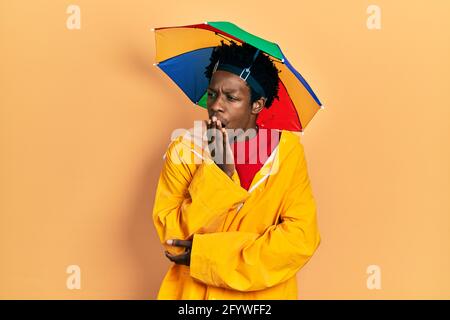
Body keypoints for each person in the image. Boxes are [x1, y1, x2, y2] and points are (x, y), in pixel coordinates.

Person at [152, 40, 321, 299]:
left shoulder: (287, 154)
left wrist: (206, 256)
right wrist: (219, 174)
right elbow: (174, 239)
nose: (216, 105)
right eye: (212, 94)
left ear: (257, 105)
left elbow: (300, 240)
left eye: (231, 97)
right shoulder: (184, 149)